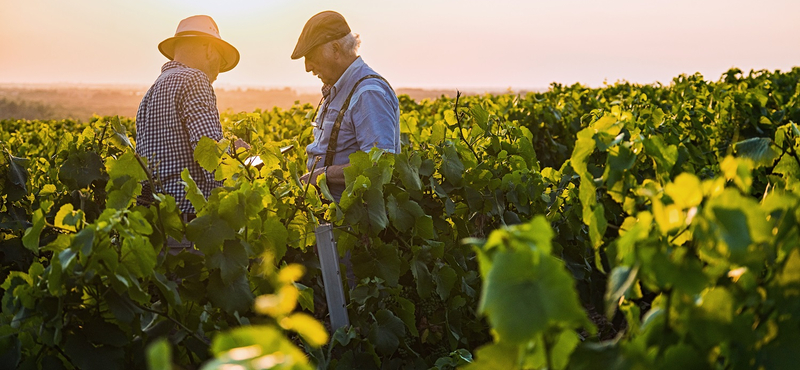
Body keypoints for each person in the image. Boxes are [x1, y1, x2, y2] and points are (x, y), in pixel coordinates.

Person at [135, 15, 245, 218]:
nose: (219, 71)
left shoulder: (150, 94)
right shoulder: (194, 79)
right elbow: (209, 157)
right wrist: (239, 157)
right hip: (190, 222)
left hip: (159, 223)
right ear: (210, 49)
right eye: (220, 61)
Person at [293, 11, 400, 201]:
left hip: (353, 225)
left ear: (335, 49)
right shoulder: (340, 88)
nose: (307, 67)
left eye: (310, 56)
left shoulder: (368, 93)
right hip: (332, 217)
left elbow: (380, 165)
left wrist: (322, 175)